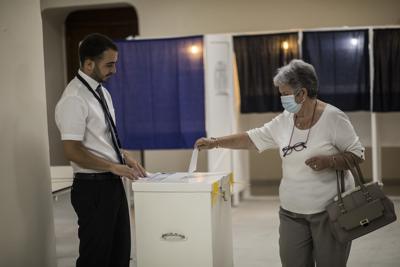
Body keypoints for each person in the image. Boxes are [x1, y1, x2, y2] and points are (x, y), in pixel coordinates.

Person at [195, 59, 365, 267]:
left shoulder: (334, 118)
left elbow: (357, 154)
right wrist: (215, 142)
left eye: (284, 93)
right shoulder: (285, 119)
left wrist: (329, 161)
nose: (281, 98)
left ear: (301, 93)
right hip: (291, 212)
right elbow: (252, 137)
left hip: (330, 212)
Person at [55, 33, 146, 267]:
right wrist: (112, 166)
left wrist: (125, 158)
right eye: (109, 64)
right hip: (92, 188)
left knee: (120, 253)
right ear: (88, 63)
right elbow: (72, 151)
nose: (114, 70)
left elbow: (102, 139)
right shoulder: (74, 98)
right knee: (95, 257)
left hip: (112, 184)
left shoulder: (102, 92)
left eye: (115, 63)